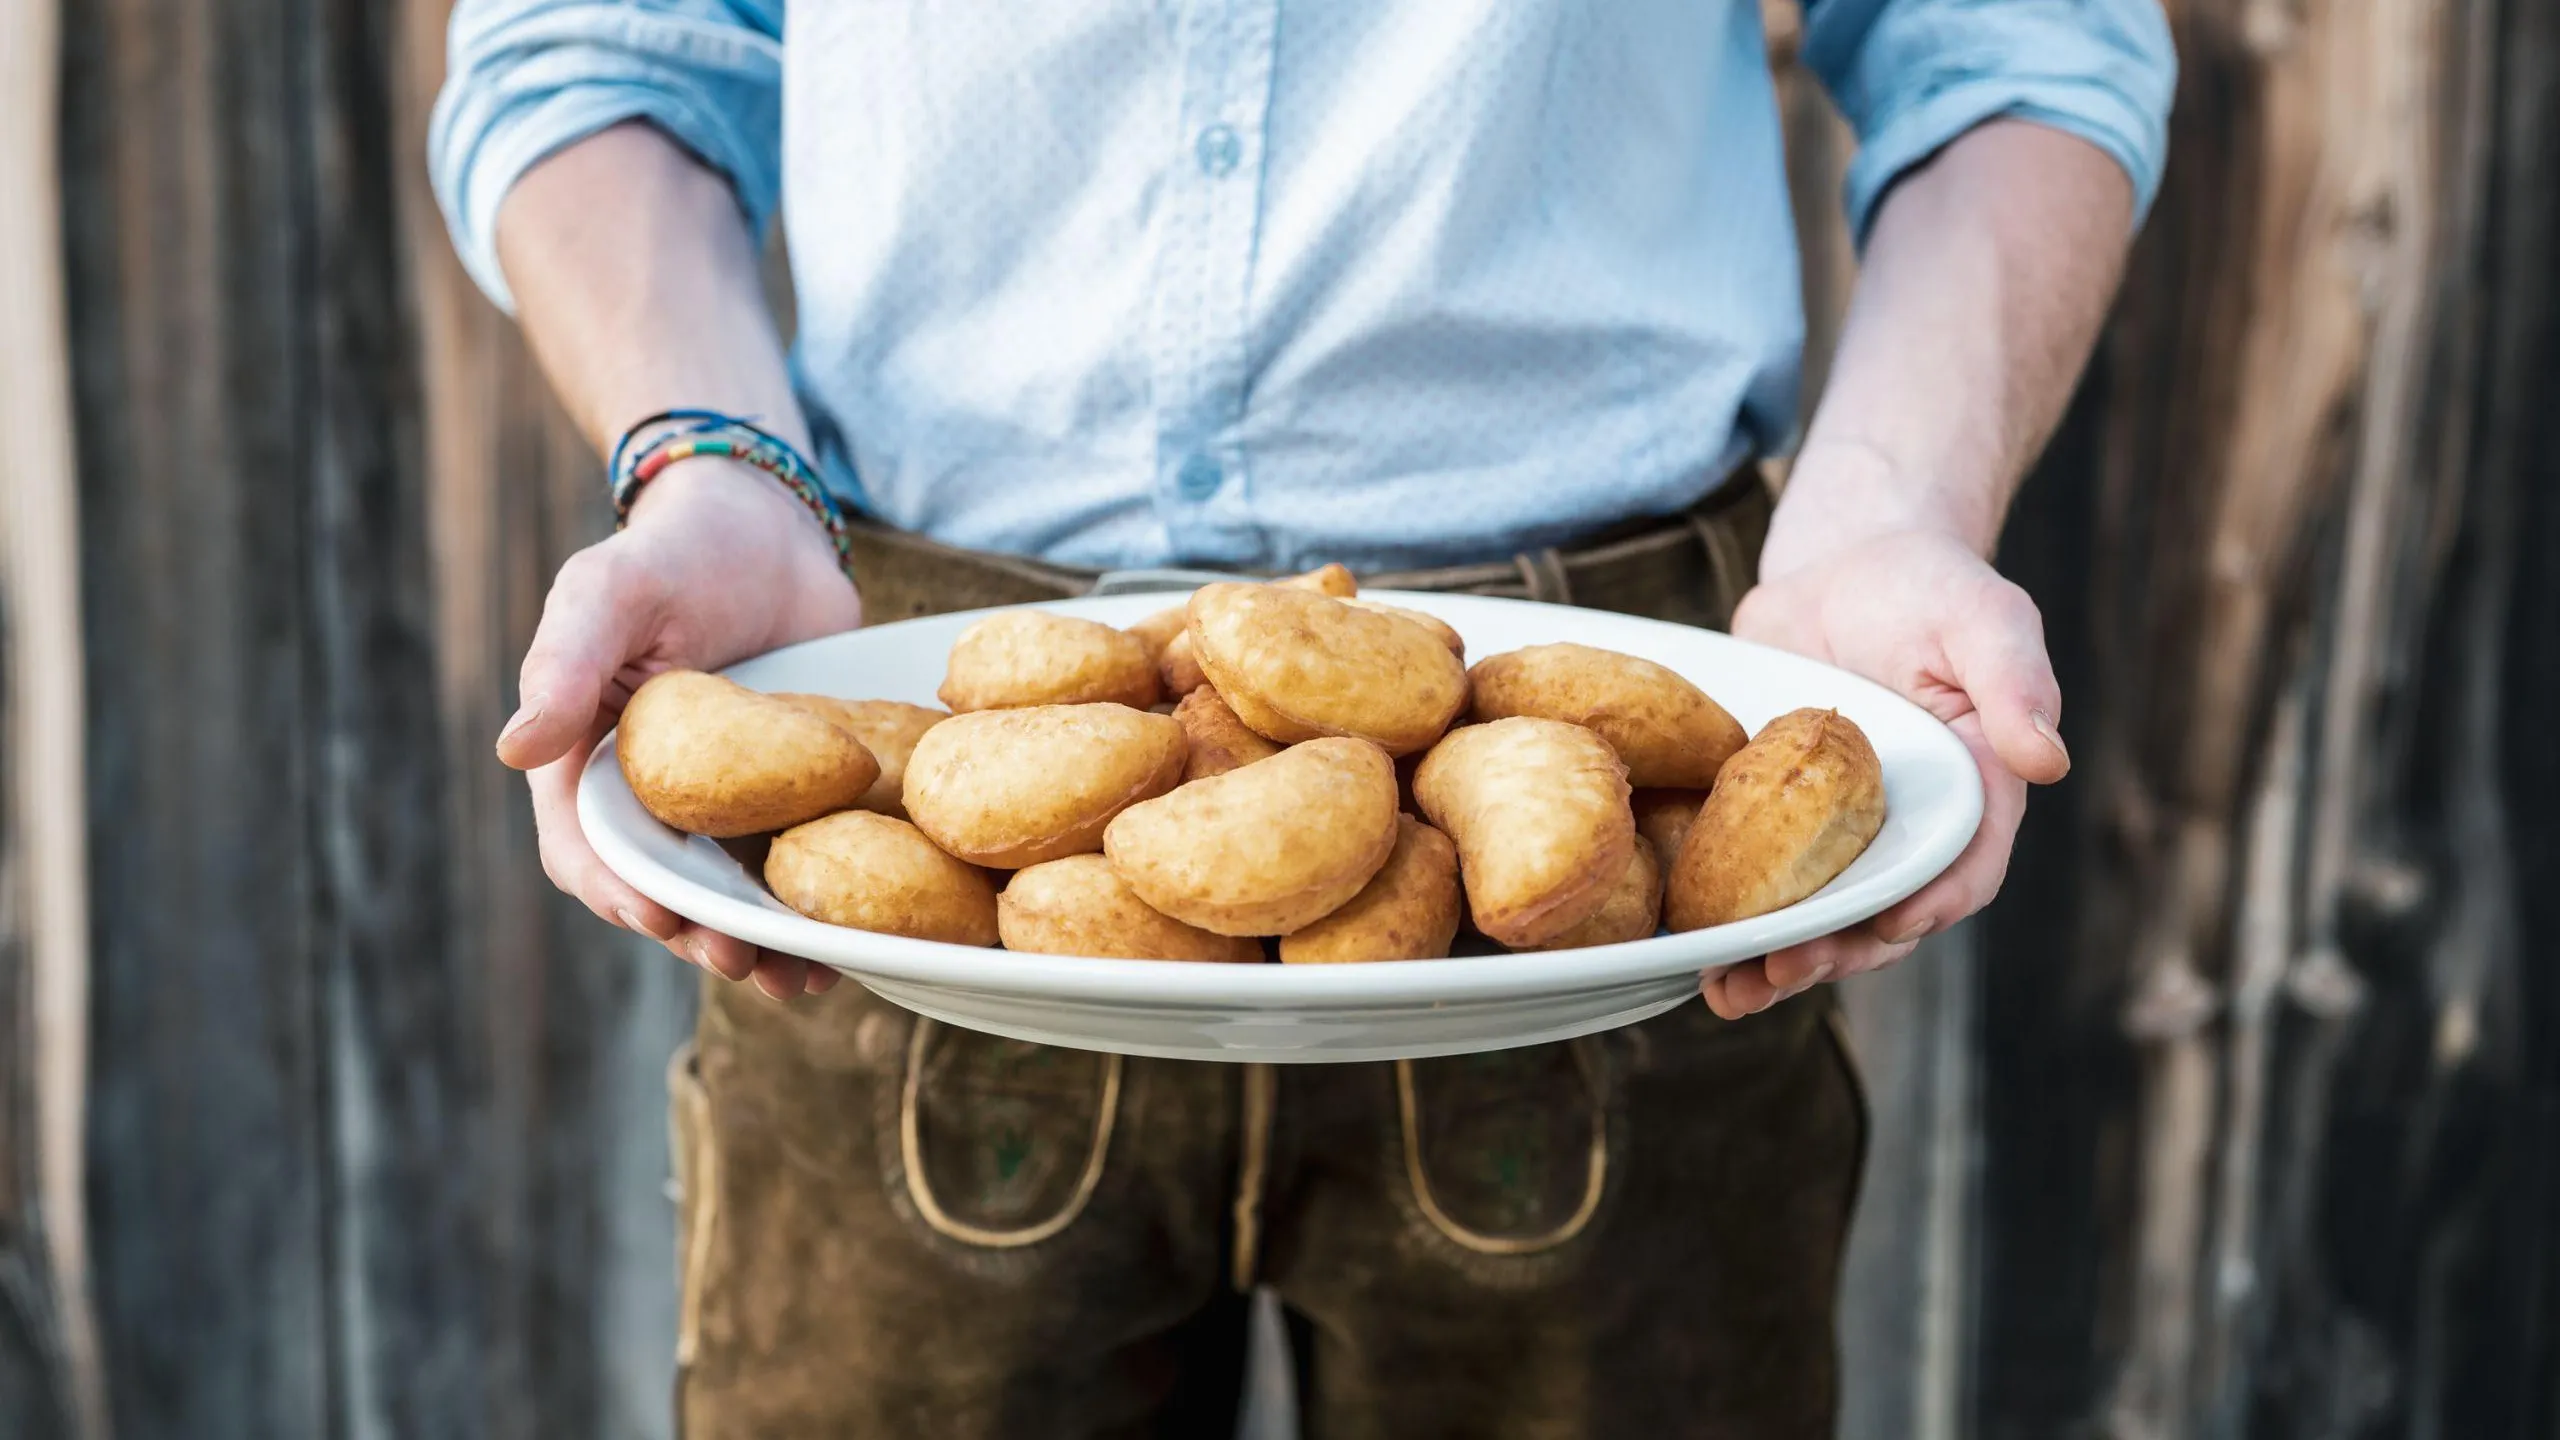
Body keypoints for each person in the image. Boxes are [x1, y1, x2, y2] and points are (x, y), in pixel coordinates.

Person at [431, 2, 2172, 1434]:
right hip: (906, 751)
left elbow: (2020, 40)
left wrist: (1894, 507)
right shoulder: (901, 790)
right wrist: (711, 469)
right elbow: (605, 48)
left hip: (1647, 778)